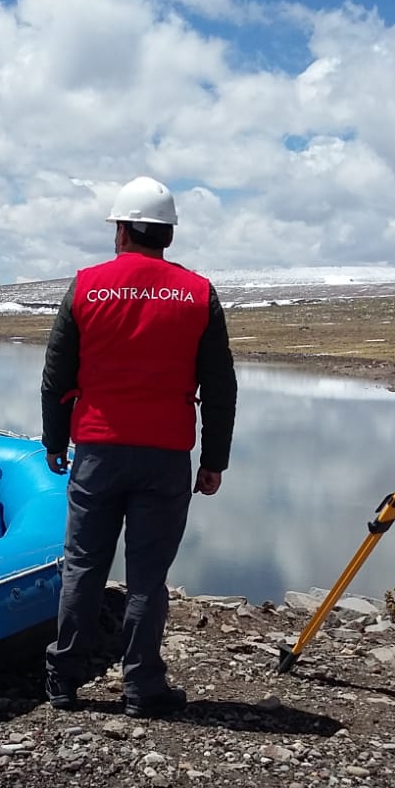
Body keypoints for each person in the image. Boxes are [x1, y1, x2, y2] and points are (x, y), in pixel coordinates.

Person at [40, 175, 237, 717]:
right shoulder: (198, 294)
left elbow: (57, 377)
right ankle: (141, 686)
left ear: (122, 230)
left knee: (83, 565)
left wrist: (55, 441)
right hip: (167, 454)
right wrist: (214, 459)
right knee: (149, 575)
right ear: (167, 234)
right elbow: (220, 387)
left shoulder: (86, 286)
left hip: (98, 450)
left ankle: (64, 680)